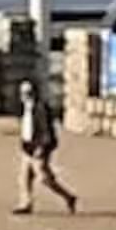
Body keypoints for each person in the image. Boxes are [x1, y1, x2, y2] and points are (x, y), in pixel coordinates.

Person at [15, 80, 75, 216]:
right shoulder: (24, 107)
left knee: (44, 178)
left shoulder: (41, 108)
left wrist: (42, 148)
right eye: (23, 93)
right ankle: (26, 203)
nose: (25, 95)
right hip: (28, 148)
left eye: (27, 93)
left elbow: (47, 131)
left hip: (39, 149)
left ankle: (68, 197)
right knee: (25, 178)